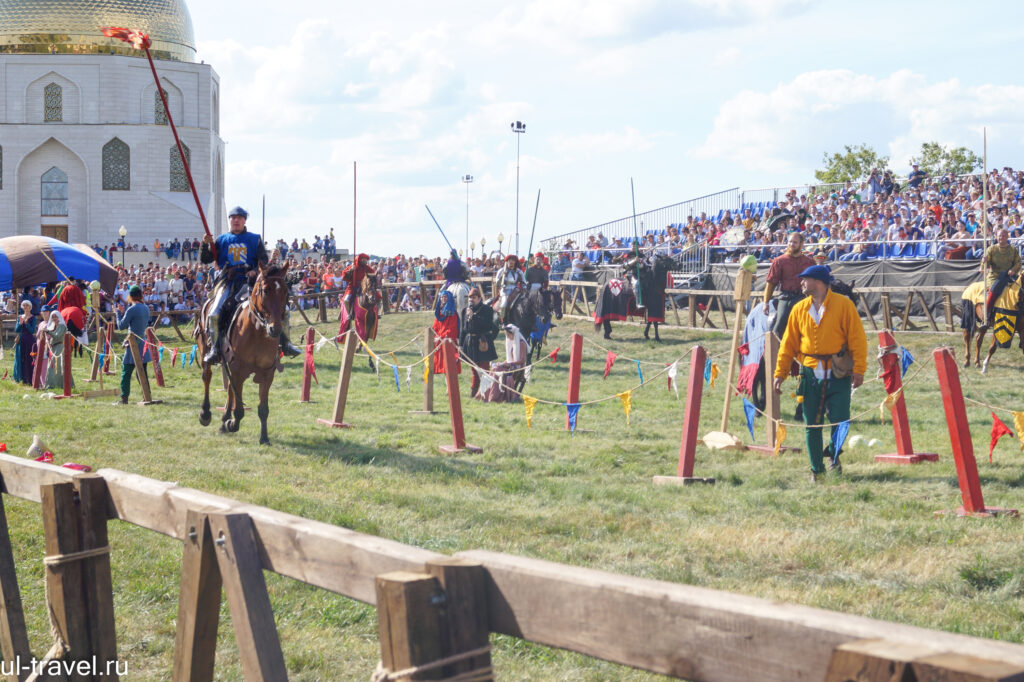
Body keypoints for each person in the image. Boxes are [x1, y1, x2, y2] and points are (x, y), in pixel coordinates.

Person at [773, 265, 867, 482]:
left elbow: (857, 339)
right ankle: (817, 470)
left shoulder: (844, 305)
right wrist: (780, 373)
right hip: (809, 373)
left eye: (805, 279)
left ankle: (833, 454)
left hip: (839, 371)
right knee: (811, 424)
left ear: (819, 282)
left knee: (841, 420)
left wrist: (859, 369)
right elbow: (788, 344)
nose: (801, 283)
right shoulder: (799, 309)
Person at [200, 206, 301, 363]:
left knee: (283, 310)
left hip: (252, 282)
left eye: (239, 218)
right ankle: (215, 348)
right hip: (229, 281)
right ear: (230, 220)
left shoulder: (255, 239)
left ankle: (286, 343)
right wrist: (205, 244)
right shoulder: (221, 239)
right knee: (214, 314)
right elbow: (205, 259)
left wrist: (255, 270)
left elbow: (264, 260)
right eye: (233, 218)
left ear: (244, 220)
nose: (236, 220)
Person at [762, 231, 815, 338]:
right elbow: (771, 283)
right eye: (790, 242)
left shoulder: (809, 262)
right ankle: (776, 352)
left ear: (801, 244)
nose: (791, 244)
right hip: (786, 298)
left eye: (795, 242)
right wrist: (766, 302)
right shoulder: (779, 261)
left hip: (805, 298)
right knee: (778, 327)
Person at [113, 285, 151, 404]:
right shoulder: (145, 307)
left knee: (126, 372)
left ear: (131, 296)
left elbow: (121, 326)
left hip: (133, 343)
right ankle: (147, 396)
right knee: (142, 373)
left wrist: (118, 313)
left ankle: (124, 399)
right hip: (143, 342)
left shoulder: (132, 309)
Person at [460, 287, 499, 396]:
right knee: (474, 370)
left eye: (474, 297)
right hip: (470, 342)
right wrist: (460, 345)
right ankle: (474, 392)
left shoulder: (487, 309)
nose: (471, 300)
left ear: (479, 298)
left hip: (482, 342)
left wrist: (473, 316)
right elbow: (463, 329)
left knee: (484, 370)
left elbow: (487, 325)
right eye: (469, 297)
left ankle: (486, 393)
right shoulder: (465, 310)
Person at [981, 228, 1022, 324]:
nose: (1001, 237)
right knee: (995, 288)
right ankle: (986, 315)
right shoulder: (991, 249)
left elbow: (1018, 263)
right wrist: (984, 262)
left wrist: (1013, 270)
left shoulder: (1013, 249)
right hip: (995, 277)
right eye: (999, 235)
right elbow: (985, 264)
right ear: (996, 236)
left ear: (1007, 237)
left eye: (1003, 236)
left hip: (1010, 277)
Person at [431, 290, 460, 376]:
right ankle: (448, 388)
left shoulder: (452, 313)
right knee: (444, 369)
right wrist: (434, 337)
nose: (443, 299)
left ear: (449, 299)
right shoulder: (439, 313)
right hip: (439, 342)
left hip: (448, 342)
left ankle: (451, 388)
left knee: (450, 369)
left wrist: (441, 337)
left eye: (445, 297)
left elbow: (452, 329)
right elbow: (435, 327)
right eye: (442, 297)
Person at [42, 309, 70, 391]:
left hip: (59, 348)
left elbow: (57, 336)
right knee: (53, 367)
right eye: (53, 317)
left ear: (59, 317)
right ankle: (54, 384)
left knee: (55, 367)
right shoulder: (54, 326)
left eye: (56, 317)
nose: (54, 318)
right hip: (53, 348)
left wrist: (48, 332)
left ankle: (53, 385)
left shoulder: (62, 326)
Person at [341, 253, 377, 318]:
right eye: (364, 259)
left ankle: (375, 312)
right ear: (360, 259)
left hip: (365, 287)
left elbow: (373, 275)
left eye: (366, 259)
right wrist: (351, 270)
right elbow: (344, 276)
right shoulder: (353, 266)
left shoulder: (367, 268)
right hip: (353, 285)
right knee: (347, 300)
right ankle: (349, 314)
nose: (365, 261)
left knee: (378, 297)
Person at [492, 254, 525, 319]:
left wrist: (524, 288)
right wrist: (502, 276)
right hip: (505, 290)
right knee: (504, 303)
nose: (511, 263)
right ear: (507, 262)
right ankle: (502, 320)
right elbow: (497, 284)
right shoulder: (501, 271)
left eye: (513, 261)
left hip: (516, 290)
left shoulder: (519, 271)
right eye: (510, 261)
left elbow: (523, 283)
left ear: (515, 262)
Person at [13, 300, 37, 385]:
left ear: (30, 307)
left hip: (29, 341)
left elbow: (32, 330)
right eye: (24, 305)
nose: (25, 307)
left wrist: (26, 324)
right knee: (20, 358)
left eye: (27, 305)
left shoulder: (33, 318)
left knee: (28, 359)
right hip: (20, 340)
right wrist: (20, 323)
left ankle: (28, 378)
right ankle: (20, 377)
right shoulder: (20, 317)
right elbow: (16, 330)